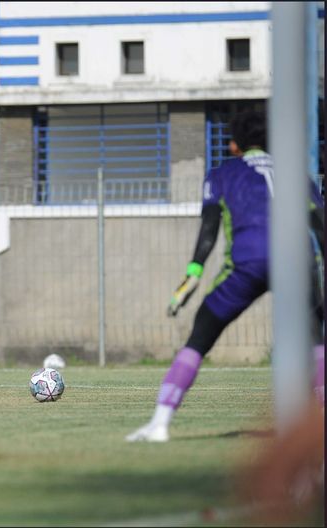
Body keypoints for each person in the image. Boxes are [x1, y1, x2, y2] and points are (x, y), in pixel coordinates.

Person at [126, 111, 325, 442]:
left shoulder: (222, 174)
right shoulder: (295, 173)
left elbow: (209, 229)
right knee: (317, 340)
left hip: (248, 262)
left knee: (201, 335)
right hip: (298, 260)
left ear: (234, 146)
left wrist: (193, 274)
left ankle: (159, 423)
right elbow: (319, 222)